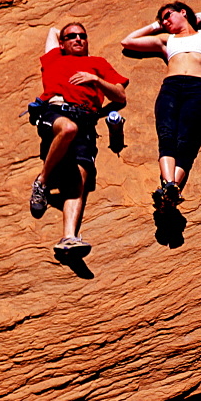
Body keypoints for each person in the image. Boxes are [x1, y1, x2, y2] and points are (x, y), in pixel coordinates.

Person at [121, 2, 201, 209]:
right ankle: (171, 185)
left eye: (168, 16)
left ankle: (170, 189)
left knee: (187, 142)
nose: (165, 21)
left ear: (183, 12)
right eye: (162, 20)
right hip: (172, 88)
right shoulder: (165, 40)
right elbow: (127, 41)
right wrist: (156, 26)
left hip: (198, 89)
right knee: (167, 135)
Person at [30, 23, 129, 256]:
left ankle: (69, 238)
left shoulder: (98, 64)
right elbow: (53, 30)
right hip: (56, 112)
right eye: (72, 36)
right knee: (68, 129)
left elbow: (120, 96)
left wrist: (95, 79)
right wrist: (61, 37)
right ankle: (42, 182)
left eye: (82, 36)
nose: (78, 39)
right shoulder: (54, 58)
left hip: (86, 118)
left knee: (79, 181)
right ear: (62, 43)